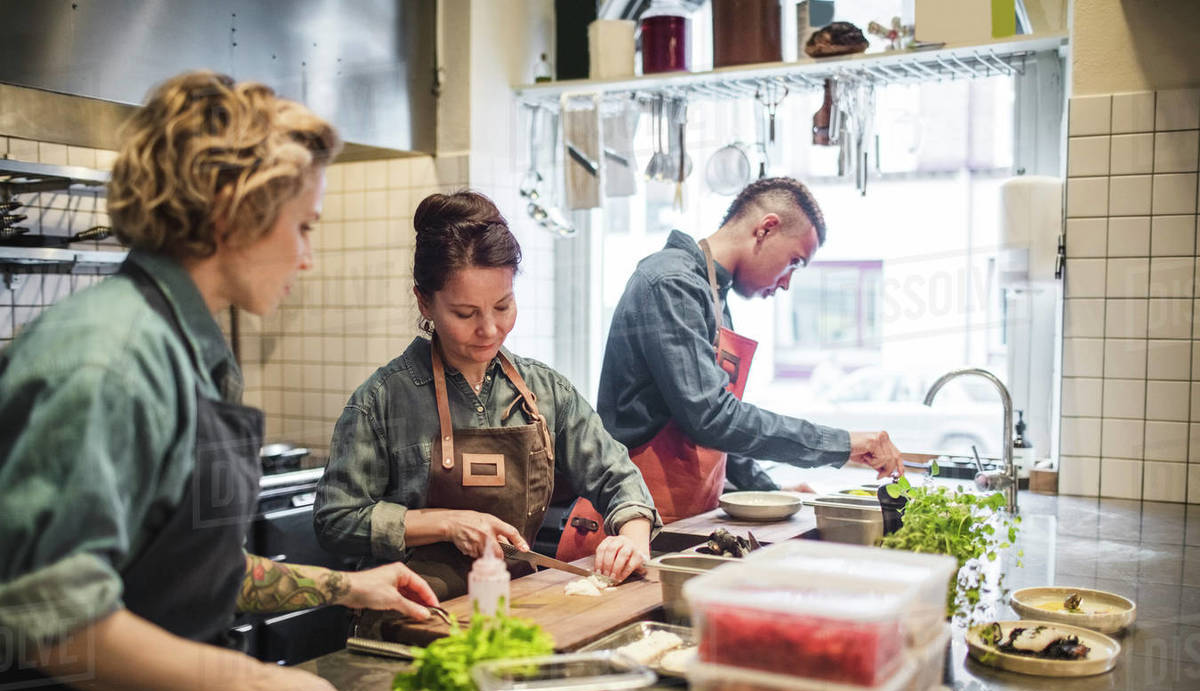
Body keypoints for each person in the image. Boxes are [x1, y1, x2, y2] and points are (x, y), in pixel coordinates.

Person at [0, 71, 439, 691]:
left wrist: (349, 587)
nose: (307, 257)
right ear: (233, 213)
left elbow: (189, 571)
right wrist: (250, 684)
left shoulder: (191, 352)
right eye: (302, 227)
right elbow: (55, 620)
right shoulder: (108, 362)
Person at [314, 191, 658, 601]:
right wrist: (445, 523)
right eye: (465, 314)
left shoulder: (546, 392)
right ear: (425, 302)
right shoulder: (382, 401)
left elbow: (618, 477)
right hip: (415, 616)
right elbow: (336, 520)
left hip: (516, 608)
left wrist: (632, 538)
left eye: (503, 306)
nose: (490, 329)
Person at [595, 176, 904, 524]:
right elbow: (712, 418)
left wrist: (769, 491)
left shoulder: (711, 292)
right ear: (766, 228)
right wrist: (842, 444)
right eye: (794, 262)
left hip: (674, 516)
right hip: (626, 525)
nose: (786, 283)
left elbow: (713, 431)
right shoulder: (673, 284)